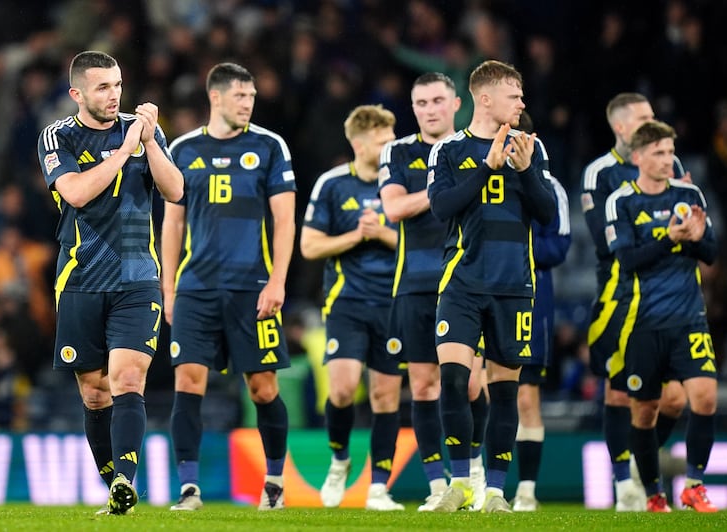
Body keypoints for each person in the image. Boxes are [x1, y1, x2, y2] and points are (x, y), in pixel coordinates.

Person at [36, 50, 184, 515]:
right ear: (77, 93)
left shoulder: (143, 129)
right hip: (79, 277)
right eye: (102, 87)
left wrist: (151, 144)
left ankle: (125, 478)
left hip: (138, 277)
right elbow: (76, 192)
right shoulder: (57, 136)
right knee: (95, 392)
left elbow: (176, 190)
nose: (114, 94)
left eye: (117, 84)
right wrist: (124, 151)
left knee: (127, 378)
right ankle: (114, 486)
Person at [161, 63, 296, 511]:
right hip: (196, 288)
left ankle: (274, 483)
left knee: (263, 388)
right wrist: (168, 289)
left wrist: (277, 280)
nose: (248, 103)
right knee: (188, 381)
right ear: (215, 97)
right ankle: (189, 489)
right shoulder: (182, 149)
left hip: (252, 288)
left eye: (252, 96)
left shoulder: (269, 146)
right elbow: (173, 223)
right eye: (241, 96)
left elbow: (284, 220)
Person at [426, 59, 556, 513]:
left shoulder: (532, 150)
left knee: (505, 392)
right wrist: (487, 167)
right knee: (454, 381)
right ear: (485, 98)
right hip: (461, 282)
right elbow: (442, 207)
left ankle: (497, 492)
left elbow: (548, 216)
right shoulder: (447, 151)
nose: (522, 101)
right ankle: (460, 482)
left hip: (513, 285)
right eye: (514, 94)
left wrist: (523, 171)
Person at [378, 72, 489, 512]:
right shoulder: (398, 151)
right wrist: (446, 191)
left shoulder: (472, 149)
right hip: (416, 283)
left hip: (466, 281)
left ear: (456, 103)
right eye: (421, 102)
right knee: (423, 387)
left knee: (470, 385)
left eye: (438, 100)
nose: (430, 109)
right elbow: (393, 208)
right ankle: (436, 485)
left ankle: (475, 472)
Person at [580, 93, 688, 511]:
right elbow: (605, 243)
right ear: (621, 127)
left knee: (675, 399)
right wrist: (663, 236)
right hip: (620, 291)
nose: (653, 123)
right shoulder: (600, 172)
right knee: (619, 394)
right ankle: (624, 480)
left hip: (669, 292)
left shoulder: (672, 166)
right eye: (644, 119)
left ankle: (641, 463)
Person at [605, 120, 719, 513]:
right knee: (647, 409)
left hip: (689, 317)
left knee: (704, 396)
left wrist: (698, 238)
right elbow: (627, 259)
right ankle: (653, 493)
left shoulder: (688, 193)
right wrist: (670, 238)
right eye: (659, 153)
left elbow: (711, 254)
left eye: (670, 152)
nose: (668, 160)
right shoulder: (621, 201)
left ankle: (694, 485)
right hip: (642, 322)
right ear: (638, 157)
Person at [300, 104, 404, 511]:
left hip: (394, 302)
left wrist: (383, 234)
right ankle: (340, 459)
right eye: (383, 141)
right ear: (359, 143)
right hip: (346, 301)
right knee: (342, 390)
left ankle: (379, 487)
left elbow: (424, 246)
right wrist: (354, 238)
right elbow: (309, 246)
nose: (390, 147)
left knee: (385, 396)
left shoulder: (403, 183)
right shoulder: (332, 184)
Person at [511, 114, 572, 512]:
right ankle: (481, 482)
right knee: (475, 390)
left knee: (526, 398)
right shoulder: (481, 179)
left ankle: (527, 490)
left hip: (533, 300)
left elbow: (559, 248)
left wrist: (514, 243)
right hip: (480, 294)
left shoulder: (550, 188)